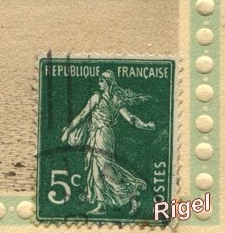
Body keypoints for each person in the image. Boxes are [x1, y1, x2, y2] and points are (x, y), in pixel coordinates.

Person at [61, 70, 156, 215]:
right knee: (97, 171)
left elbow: (82, 116)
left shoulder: (97, 97)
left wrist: (68, 131)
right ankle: (103, 205)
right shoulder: (116, 99)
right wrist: (145, 125)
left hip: (100, 135)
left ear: (108, 82)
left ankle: (131, 192)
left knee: (104, 169)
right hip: (104, 136)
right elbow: (131, 119)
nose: (99, 83)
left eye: (101, 80)